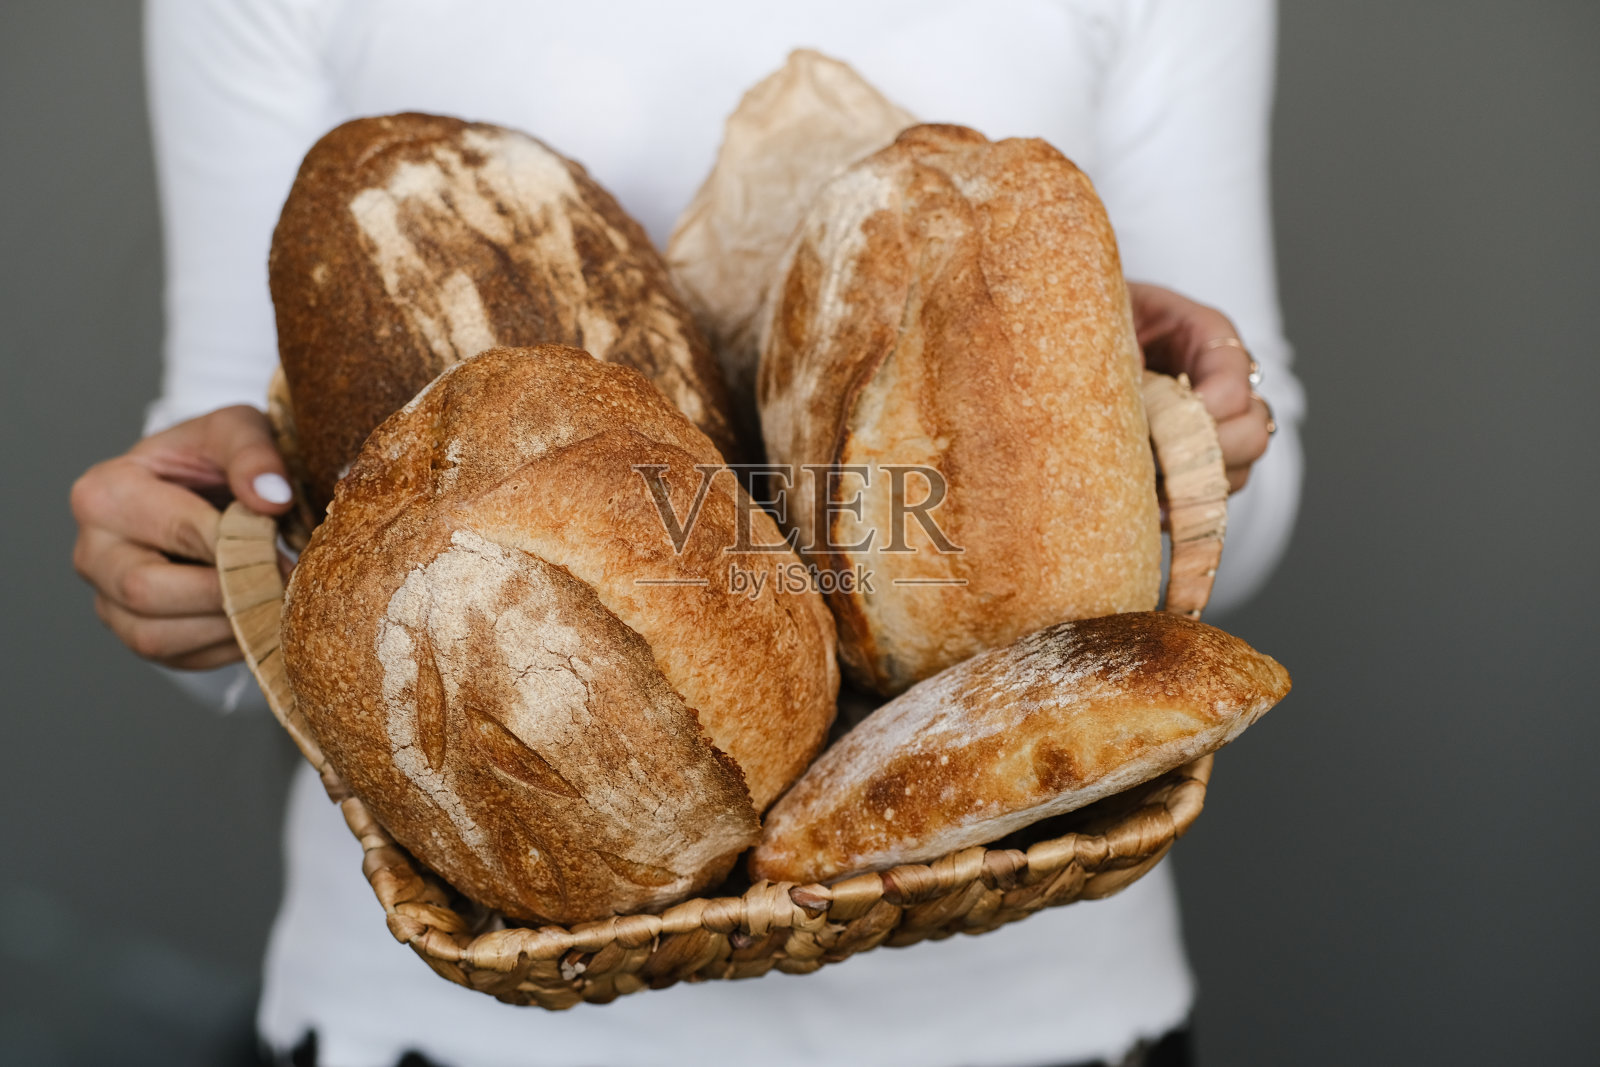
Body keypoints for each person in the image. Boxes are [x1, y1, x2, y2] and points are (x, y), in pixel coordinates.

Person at [70, 1, 1305, 1064]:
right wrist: (193, 570)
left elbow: (1216, 551)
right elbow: (270, 507)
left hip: (1033, 1017)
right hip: (448, 1021)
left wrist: (1191, 444)